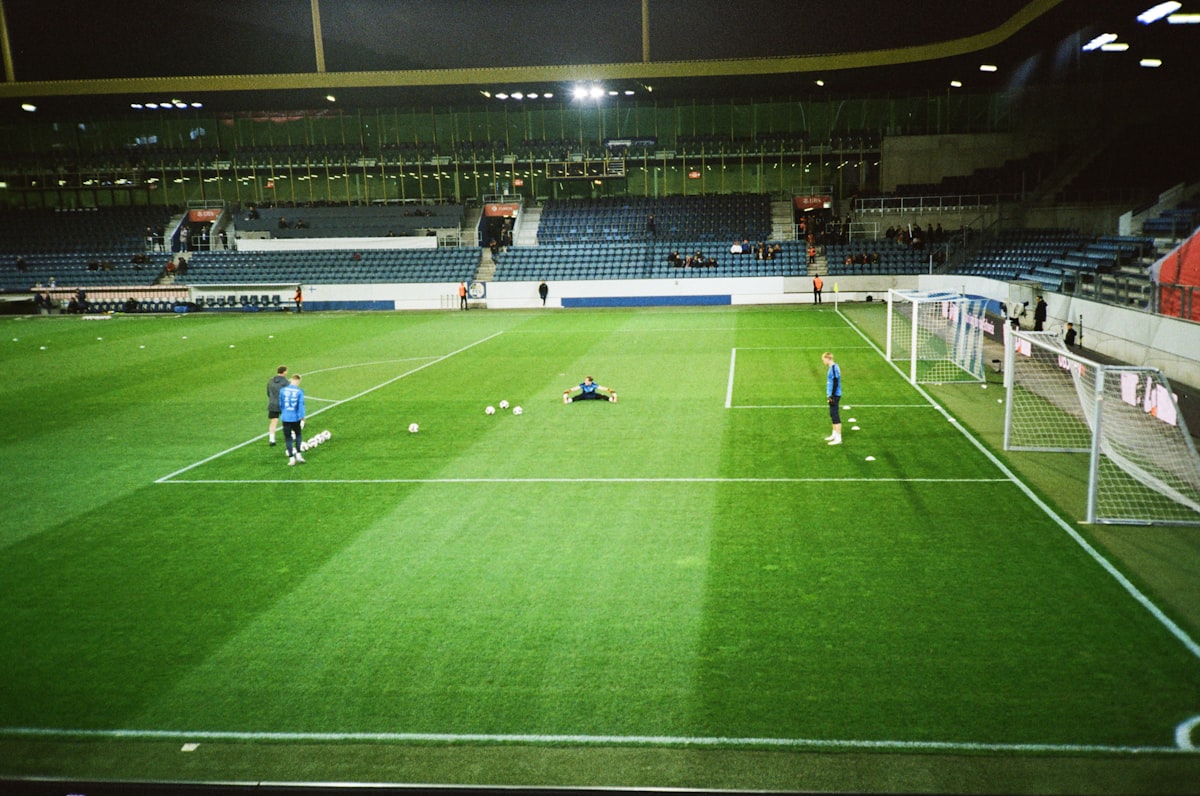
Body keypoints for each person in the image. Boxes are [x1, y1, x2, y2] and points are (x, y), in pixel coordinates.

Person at [279, 374, 307, 466]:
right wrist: (302, 417)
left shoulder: (283, 390)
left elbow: (281, 404)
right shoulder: (299, 391)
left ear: (291, 380)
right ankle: (298, 454)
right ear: (298, 381)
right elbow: (300, 405)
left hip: (285, 417)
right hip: (295, 417)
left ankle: (291, 459)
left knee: (288, 438)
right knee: (298, 435)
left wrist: (284, 413)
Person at [266, 365, 289, 446]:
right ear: (284, 372)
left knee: (273, 421)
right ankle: (289, 436)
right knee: (287, 421)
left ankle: (272, 440)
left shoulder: (271, 381)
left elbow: (268, 392)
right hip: (283, 404)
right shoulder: (285, 382)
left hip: (272, 404)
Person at [823, 351, 842, 445]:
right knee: (832, 414)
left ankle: (838, 438)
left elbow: (835, 382)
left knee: (835, 415)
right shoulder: (832, 367)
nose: (823, 362)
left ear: (828, 359)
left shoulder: (834, 368)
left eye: (824, 360)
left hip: (835, 395)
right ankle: (834, 434)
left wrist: (832, 396)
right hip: (832, 395)